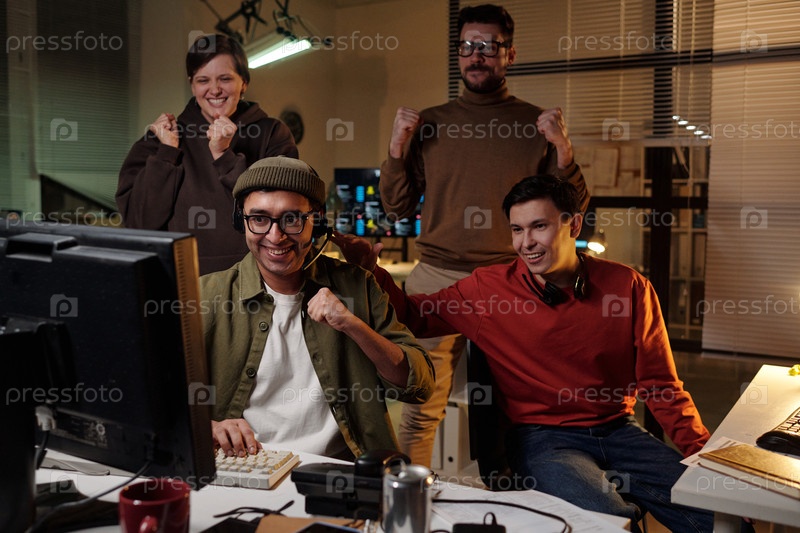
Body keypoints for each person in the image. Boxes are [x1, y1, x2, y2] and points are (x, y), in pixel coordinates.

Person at [333, 175, 713, 532]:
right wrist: (370, 271)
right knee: (606, 521)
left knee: (718, 508)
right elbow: (413, 316)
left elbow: (661, 386)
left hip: (618, 429)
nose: (526, 242)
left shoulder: (629, 286)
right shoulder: (488, 289)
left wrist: (707, 457)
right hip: (544, 439)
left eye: (539, 226)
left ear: (573, 226)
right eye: (517, 230)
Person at [379, 4, 589, 466]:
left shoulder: (535, 124)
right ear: (458, 53)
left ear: (509, 54)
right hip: (435, 278)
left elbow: (573, 210)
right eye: (468, 46)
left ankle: (515, 498)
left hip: (509, 280)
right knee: (418, 408)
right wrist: (396, 147)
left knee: (519, 411)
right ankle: (409, 496)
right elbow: (395, 207)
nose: (477, 55)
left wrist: (563, 150)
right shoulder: (429, 122)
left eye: (489, 47)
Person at [199, 156, 435, 460]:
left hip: (339, 470)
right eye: (259, 219)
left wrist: (352, 324)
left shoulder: (358, 285)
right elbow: (154, 399)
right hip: (247, 467)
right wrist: (208, 427)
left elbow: (419, 385)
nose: (275, 236)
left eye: (292, 219)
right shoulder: (207, 295)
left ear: (318, 221)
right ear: (241, 221)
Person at [117, 34, 298, 275]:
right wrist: (167, 155)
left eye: (225, 79)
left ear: (243, 82)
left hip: (257, 280)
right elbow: (139, 224)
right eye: (203, 80)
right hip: (181, 283)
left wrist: (224, 156)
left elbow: (282, 214)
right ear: (192, 85)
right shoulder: (159, 139)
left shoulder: (272, 134)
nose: (214, 90)